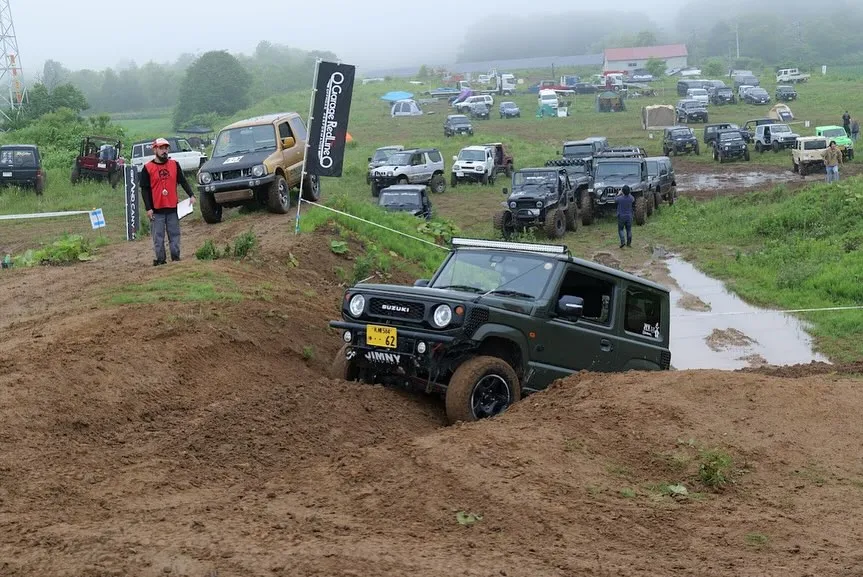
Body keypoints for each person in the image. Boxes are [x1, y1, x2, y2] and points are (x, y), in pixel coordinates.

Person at [140, 137, 195, 265]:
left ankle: (175, 258)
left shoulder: (174, 165)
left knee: (175, 234)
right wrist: (148, 208)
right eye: (161, 148)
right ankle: (160, 260)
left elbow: (183, 181)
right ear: (155, 150)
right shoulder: (147, 168)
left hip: (172, 207)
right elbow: (145, 190)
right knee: (158, 237)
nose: (164, 151)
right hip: (156, 209)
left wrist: (191, 194)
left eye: (166, 148)